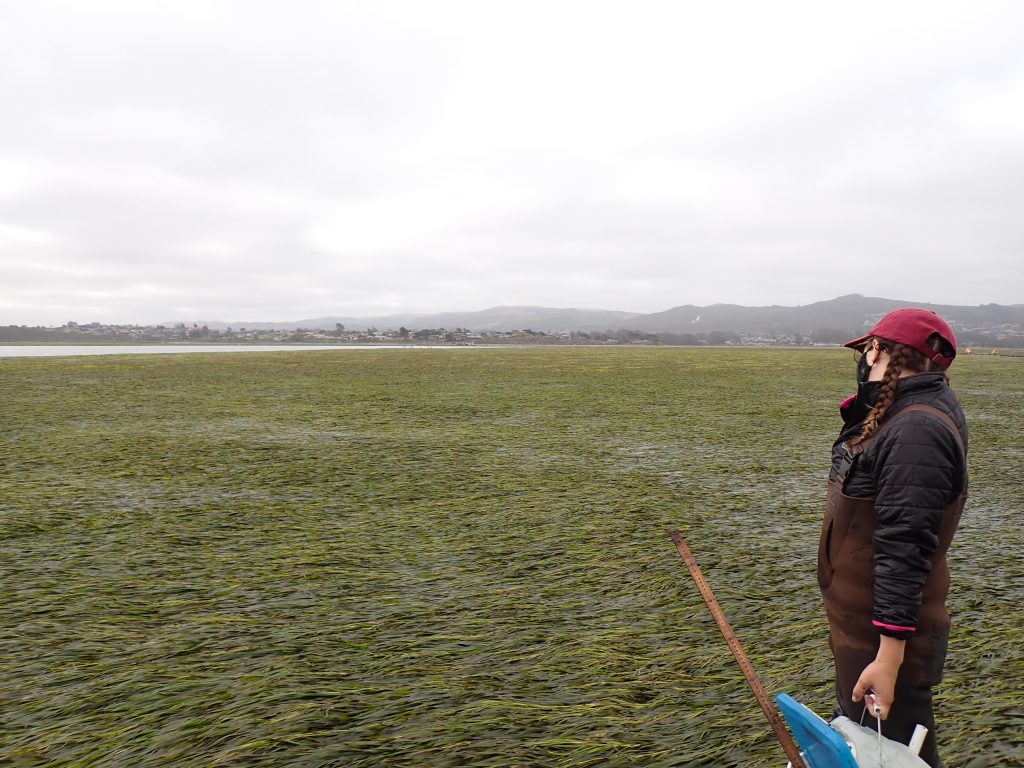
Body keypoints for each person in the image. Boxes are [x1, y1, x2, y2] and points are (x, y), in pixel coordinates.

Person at [818, 308, 967, 768]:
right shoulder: (900, 416)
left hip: (884, 640)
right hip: (864, 625)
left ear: (883, 351)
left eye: (868, 350)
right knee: (871, 751)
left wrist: (888, 658)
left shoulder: (916, 430)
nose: (864, 360)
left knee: (897, 755)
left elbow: (904, 550)